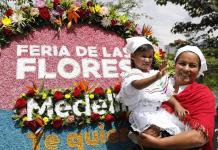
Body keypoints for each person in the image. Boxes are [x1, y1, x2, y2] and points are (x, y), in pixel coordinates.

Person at [136, 45, 216, 150]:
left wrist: (158, 143)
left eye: (192, 65)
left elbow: (201, 136)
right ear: (175, 64)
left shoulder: (203, 94)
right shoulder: (160, 84)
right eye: (182, 63)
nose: (186, 69)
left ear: (199, 70)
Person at [116, 36, 188, 139]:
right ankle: (138, 138)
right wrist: (156, 77)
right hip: (142, 114)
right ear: (132, 56)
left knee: (176, 133)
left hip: (158, 112)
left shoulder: (155, 73)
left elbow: (165, 94)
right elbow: (137, 85)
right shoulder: (132, 73)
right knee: (151, 135)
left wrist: (177, 105)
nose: (147, 60)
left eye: (150, 57)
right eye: (143, 56)